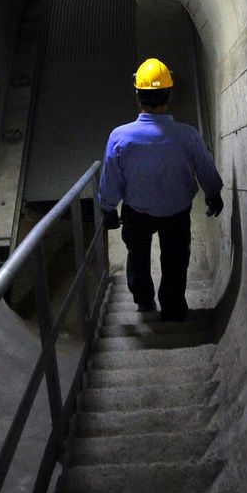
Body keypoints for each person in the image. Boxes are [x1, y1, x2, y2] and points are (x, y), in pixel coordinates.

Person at [97, 57, 224, 321]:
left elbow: (111, 178)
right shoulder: (188, 135)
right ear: (168, 93)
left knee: (138, 256)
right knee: (176, 260)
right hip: (176, 210)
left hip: (136, 211)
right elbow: (205, 168)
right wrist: (213, 193)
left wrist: (108, 207)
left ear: (137, 96)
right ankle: (173, 305)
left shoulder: (120, 137)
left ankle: (144, 300)